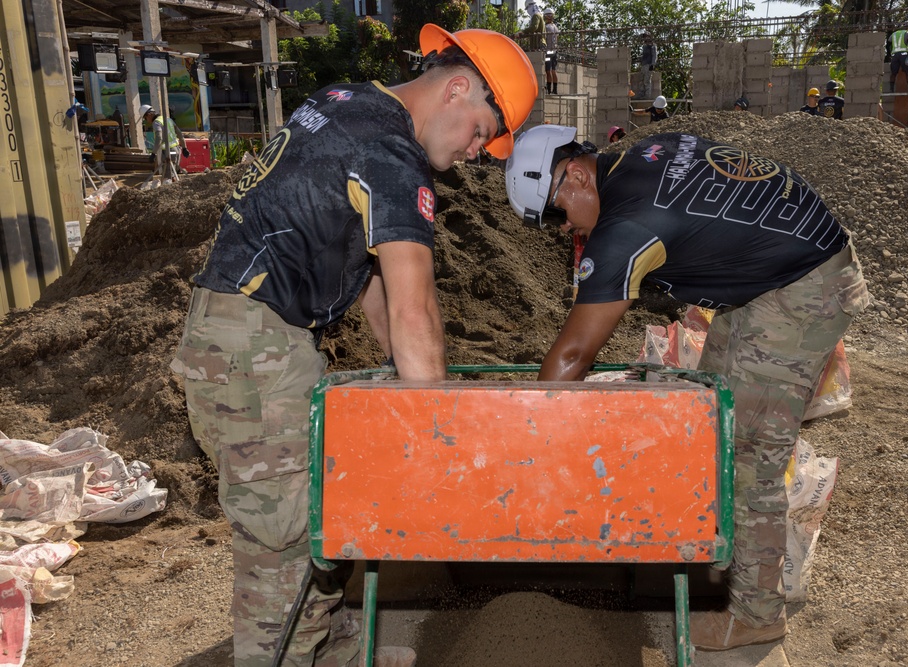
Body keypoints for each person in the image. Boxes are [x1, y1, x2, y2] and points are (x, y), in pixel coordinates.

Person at [170, 25, 536, 667]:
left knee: (317, 507)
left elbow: (368, 283)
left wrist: (400, 373)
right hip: (257, 346)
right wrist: (437, 433)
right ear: (457, 89)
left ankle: (333, 647)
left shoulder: (344, 103)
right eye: (482, 129)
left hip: (242, 334)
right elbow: (413, 300)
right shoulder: (391, 151)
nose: (478, 151)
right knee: (281, 542)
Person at [504, 124, 871, 652]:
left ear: (577, 175)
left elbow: (572, 355)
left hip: (803, 287)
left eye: (556, 215)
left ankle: (756, 614)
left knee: (749, 458)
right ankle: (724, 556)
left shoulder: (625, 226)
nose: (562, 230)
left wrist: (526, 449)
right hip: (775, 272)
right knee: (713, 418)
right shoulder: (635, 155)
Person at [140, 103, 189, 176]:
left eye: (145, 118)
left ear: (149, 114)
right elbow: (179, 133)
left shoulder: (156, 123)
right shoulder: (168, 119)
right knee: (174, 175)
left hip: (167, 153)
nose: (146, 120)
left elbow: (159, 137)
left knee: (168, 177)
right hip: (177, 151)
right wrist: (184, 148)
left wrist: (153, 153)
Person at [887, 25, 908, 93]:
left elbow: (887, 45)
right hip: (904, 55)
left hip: (894, 55)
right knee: (907, 72)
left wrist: (889, 54)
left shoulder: (893, 34)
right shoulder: (907, 33)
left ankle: (891, 89)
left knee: (893, 73)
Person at [543, 7, 560, 94]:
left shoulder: (546, 27)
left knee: (547, 70)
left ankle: (549, 89)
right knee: (553, 70)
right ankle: (555, 90)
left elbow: (543, 38)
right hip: (555, 52)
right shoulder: (555, 27)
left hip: (548, 52)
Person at [637, 33, 657, 99]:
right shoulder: (645, 46)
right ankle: (641, 94)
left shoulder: (653, 46)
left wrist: (652, 65)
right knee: (641, 80)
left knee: (647, 81)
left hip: (648, 65)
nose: (646, 39)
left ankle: (647, 95)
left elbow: (654, 56)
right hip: (644, 65)